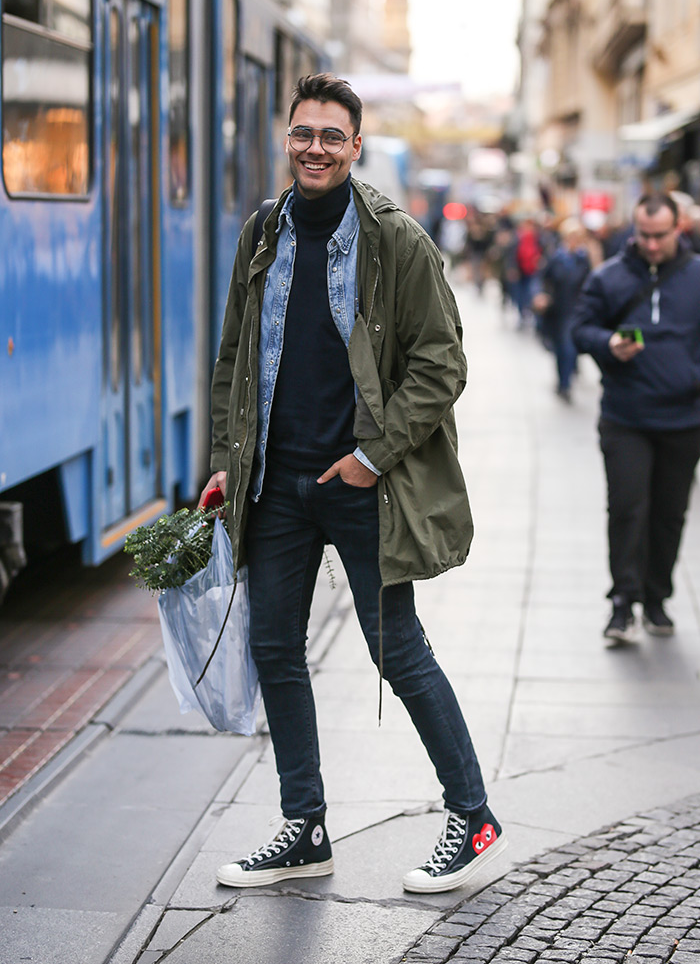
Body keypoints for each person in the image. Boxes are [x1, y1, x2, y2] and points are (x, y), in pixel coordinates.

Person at [198, 74, 507, 894]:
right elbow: (235, 355)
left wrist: (372, 457)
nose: (316, 148)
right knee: (274, 651)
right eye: (304, 133)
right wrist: (230, 465)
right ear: (286, 138)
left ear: (356, 146)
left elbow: (444, 362)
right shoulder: (264, 231)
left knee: (396, 652)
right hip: (275, 484)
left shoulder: (395, 240)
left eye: (333, 136)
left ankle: (471, 813)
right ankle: (304, 826)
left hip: (362, 483)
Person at [572, 192, 700, 646]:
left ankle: (657, 597)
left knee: (669, 514)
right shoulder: (609, 277)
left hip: (684, 419)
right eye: (643, 235)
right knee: (628, 508)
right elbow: (581, 329)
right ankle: (623, 602)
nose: (649, 245)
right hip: (626, 416)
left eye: (659, 236)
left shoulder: (696, 275)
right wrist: (609, 344)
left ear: (678, 227)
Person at [533, 217, 591, 402]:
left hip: (575, 310)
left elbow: (590, 283)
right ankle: (561, 380)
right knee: (559, 348)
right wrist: (541, 296)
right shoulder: (556, 258)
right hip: (557, 311)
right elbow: (543, 280)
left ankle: (565, 384)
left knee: (568, 347)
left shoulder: (584, 259)